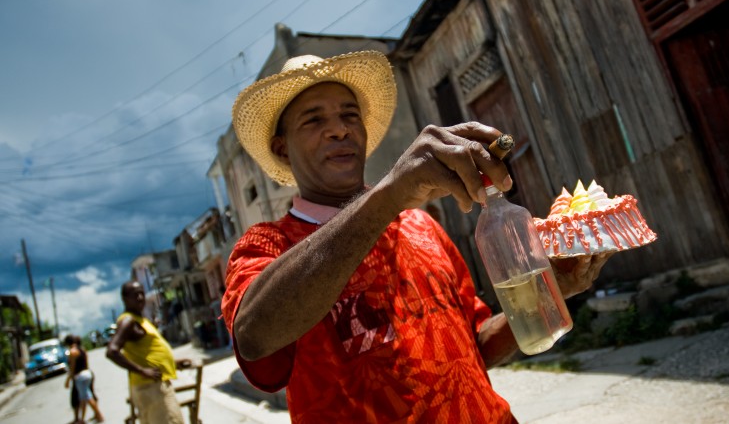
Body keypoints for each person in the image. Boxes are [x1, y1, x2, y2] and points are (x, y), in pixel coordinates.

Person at [222, 51, 609, 422]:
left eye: (349, 115)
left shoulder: (420, 226)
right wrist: (389, 193)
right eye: (313, 120)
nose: (339, 129)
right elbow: (254, 336)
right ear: (282, 149)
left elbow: (473, 346)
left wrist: (550, 289)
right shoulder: (266, 245)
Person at [106, 281, 191, 424]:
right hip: (151, 387)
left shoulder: (139, 319)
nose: (140, 297)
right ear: (125, 299)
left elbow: (145, 352)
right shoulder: (128, 320)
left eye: (141, 293)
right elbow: (112, 351)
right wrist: (142, 371)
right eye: (135, 295)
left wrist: (172, 363)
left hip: (153, 386)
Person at [64, 334, 104, 423]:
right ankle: (82, 419)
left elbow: (72, 367)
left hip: (80, 376)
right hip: (87, 373)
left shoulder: (73, 351)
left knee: (87, 396)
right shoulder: (82, 349)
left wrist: (68, 380)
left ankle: (99, 415)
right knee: (84, 398)